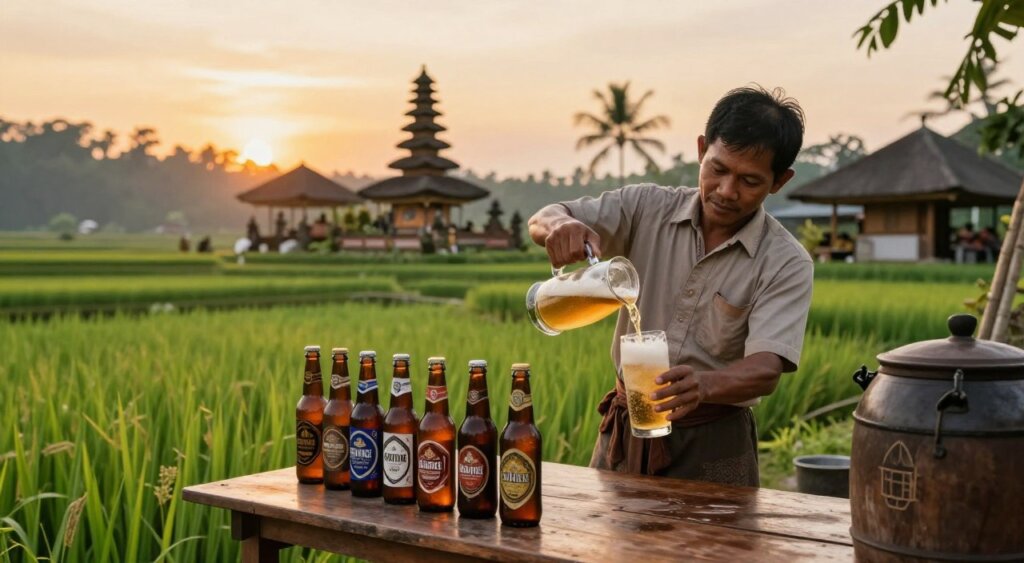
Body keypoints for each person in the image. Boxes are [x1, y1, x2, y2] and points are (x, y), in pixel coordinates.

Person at [528, 85, 813, 487]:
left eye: (749, 180)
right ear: (701, 150)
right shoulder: (646, 207)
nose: (727, 191)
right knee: (608, 545)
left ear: (779, 181)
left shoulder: (785, 260)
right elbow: (546, 216)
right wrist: (560, 226)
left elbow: (766, 369)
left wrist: (704, 385)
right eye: (718, 169)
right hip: (626, 430)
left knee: (717, 546)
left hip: (715, 441)